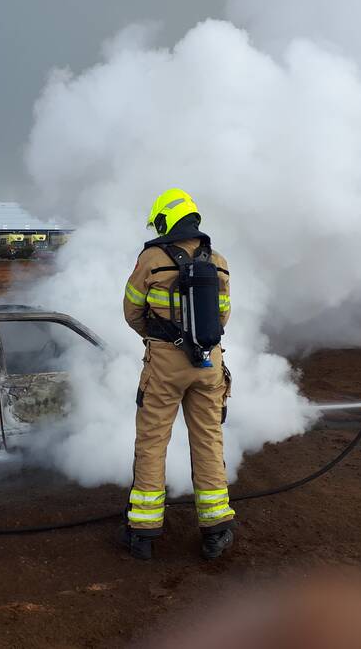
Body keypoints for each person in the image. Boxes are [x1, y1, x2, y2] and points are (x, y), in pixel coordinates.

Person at [120, 188, 234, 560]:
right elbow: (223, 316)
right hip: (209, 361)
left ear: (165, 220)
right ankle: (216, 529)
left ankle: (144, 532)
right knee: (208, 441)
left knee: (153, 442)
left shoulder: (152, 258)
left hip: (165, 363)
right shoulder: (217, 260)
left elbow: (132, 310)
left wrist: (158, 338)